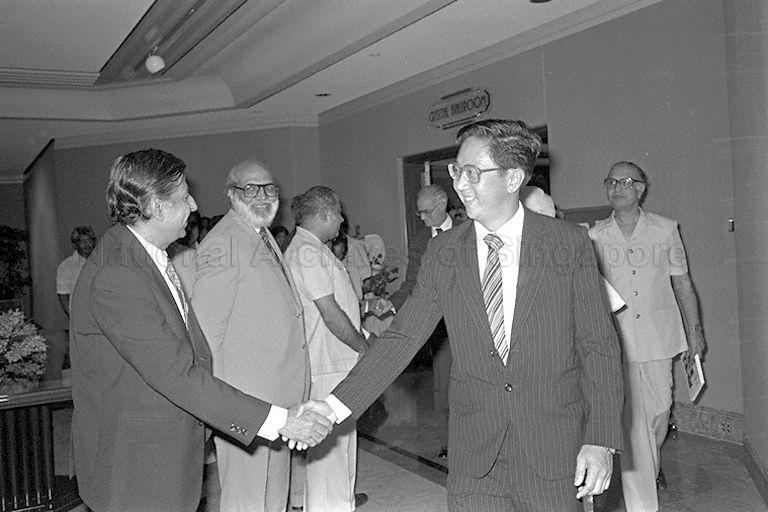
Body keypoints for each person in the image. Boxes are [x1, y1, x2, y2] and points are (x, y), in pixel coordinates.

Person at [312, 119, 624, 511]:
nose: (459, 184)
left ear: (513, 178)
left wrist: (600, 439)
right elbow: (402, 338)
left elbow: (599, 346)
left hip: (553, 448)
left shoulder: (567, 243)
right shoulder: (445, 251)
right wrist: (334, 406)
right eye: (457, 170)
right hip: (476, 455)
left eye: (472, 173)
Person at [69, 149, 331, 512]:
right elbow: (176, 371)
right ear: (156, 206)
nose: (193, 205)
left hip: (165, 445)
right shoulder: (119, 274)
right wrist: (279, 420)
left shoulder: (145, 256)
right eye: (182, 197)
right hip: (138, 463)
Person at [191, 158, 312, 512]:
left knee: (273, 497)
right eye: (250, 189)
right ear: (231, 194)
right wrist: (217, 407)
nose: (262, 196)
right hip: (245, 405)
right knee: (247, 500)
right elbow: (206, 335)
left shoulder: (259, 234)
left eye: (269, 188)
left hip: (276, 401)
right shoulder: (222, 244)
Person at [588, 161, 707, 512]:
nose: (617, 187)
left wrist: (694, 332)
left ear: (641, 189)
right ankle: (643, 503)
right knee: (635, 426)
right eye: (611, 181)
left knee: (658, 414)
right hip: (617, 341)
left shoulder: (665, 230)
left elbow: (682, 281)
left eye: (626, 181)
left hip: (659, 338)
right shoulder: (595, 236)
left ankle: (644, 471)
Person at [285, 186, 369, 512]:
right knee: (330, 454)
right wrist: (364, 347)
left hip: (336, 361)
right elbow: (330, 312)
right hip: (328, 363)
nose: (342, 220)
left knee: (339, 451)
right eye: (338, 213)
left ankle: (340, 503)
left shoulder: (314, 249)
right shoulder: (306, 252)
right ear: (324, 214)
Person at [387, 183, 460, 458]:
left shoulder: (468, 230)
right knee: (443, 388)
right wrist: (392, 303)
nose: (422, 218)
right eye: (419, 213)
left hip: (471, 322)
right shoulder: (420, 241)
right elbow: (412, 281)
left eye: (426, 212)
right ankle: (448, 444)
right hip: (440, 327)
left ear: (442, 204)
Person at [56, 226, 97, 316]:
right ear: (75, 245)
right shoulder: (66, 267)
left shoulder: (102, 262)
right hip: (81, 317)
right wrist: (74, 317)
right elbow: (63, 297)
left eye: (89, 240)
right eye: (82, 241)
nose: (87, 244)